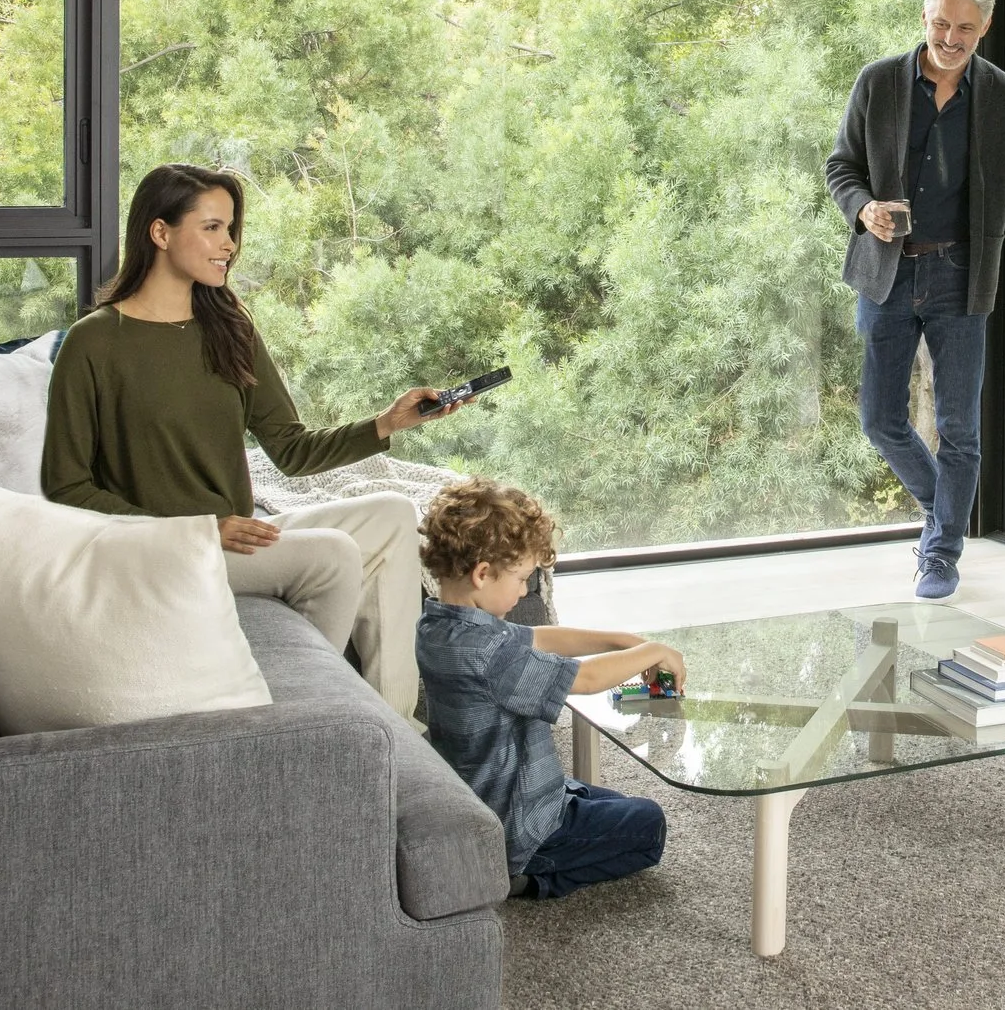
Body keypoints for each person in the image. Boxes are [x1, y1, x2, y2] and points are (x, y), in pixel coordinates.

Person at [42, 162, 459, 718]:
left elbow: (291, 449)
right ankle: (307, 715)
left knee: (391, 512)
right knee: (333, 553)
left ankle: (393, 723)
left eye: (231, 229)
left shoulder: (230, 329)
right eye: (212, 228)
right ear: (160, 232)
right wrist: (198, 530)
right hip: (163, 551)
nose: (229, 245)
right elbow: (65, 486)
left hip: (234, 540)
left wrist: (386, 424)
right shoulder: (93, 342)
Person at [825, 0, 1005, 601]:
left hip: (961, 276)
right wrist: (864, 209)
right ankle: (944, 509)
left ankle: (941, 553)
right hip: (886, 273)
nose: (951, 39)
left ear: (985, 28)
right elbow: (841, 165)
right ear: (924, 19)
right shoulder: (878, 82)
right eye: (941, 24)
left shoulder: (1002, 96)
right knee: (880, 421)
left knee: (959, 427)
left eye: (965, 28)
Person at [417, 478, 678, 899]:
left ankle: (545, 832)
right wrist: (653, 651)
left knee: (607, 802)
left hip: (495, 794)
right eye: (522, 578)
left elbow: (538, 636)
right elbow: (587, 679)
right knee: (650, 824)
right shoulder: (489, 654)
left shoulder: (439, 626)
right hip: (520, 826)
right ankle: (527, 877)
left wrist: (618, 641)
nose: (524, 591)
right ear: (483, 574)